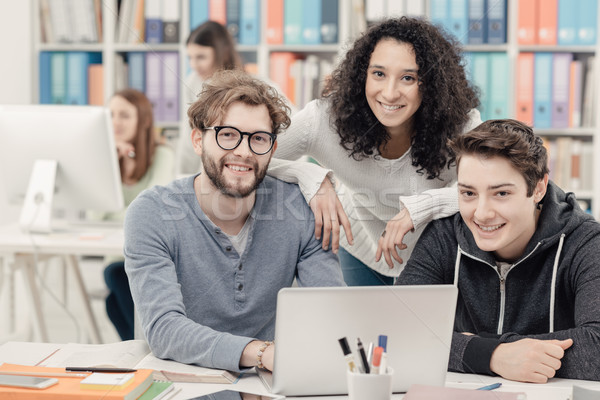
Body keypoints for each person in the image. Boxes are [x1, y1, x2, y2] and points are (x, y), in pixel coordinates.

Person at [124, 70, 345, 372]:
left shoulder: (300, 209)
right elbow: (164, 329)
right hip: (182, 385)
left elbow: (329, 313)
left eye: (258, 138)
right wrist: (260, 354)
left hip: (267, 387)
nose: (243, 151)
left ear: (273, 149)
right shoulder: (151, 213)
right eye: (227, 134)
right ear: (198, 140)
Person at [268, 17, 481, 285]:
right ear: (362, 75)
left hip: (431, 251)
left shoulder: (462, 126)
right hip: (358, 246)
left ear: (432, 83)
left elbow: (485, 189)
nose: (390, 93)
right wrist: (311, 177)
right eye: (378, 74)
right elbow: (251, 160)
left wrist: (422, 208)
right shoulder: (323, 120)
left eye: (408, 78)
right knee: (361, 328)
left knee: (422, 327)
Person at [397, 119, 600, 382]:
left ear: (538, 188)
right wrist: (494, 356)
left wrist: (481, 346)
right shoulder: (444, 236)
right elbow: (399, 331)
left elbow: (596, 348)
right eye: (469, 193)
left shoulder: (585, 241)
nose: (482, 213)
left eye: (501, 194)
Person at [101, 88, 174, 341]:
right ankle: (146, 350)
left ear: (143, 120)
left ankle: (154, 344)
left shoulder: (162, 156)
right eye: (111, 115)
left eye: (124, 115)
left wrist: (116, 214)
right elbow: (93, 214)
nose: (116, 123)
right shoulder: (108, 159)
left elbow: (150, 212)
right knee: (112, 300)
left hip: (145, 257)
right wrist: (111, 164)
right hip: (115, 255)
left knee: (115, 278)